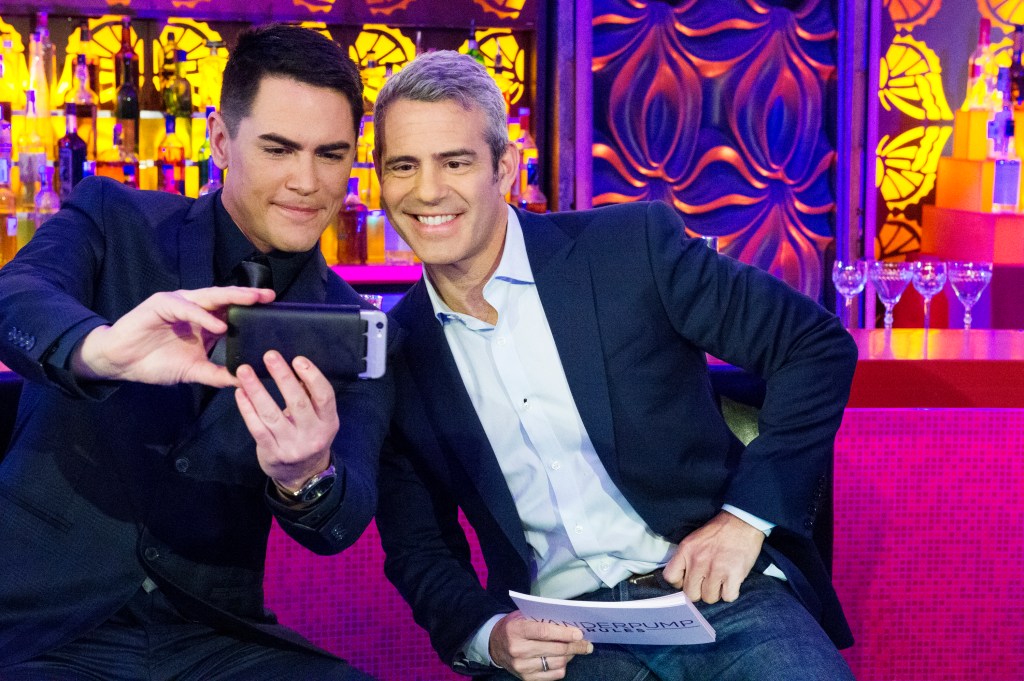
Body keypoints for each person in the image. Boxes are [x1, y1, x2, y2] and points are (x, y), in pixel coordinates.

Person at [372, 51, 858, 681]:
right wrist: (490, 635)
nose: (427, 190)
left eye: (455, 162)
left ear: (506, 168)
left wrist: (744, 521)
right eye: (403, 166)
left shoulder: (629, 249)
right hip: (567, 636)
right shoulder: (396, 350)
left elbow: (814, 345)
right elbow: (420, 548)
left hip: (722, 598)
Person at [0, 25, 390, 680]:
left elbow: (341, 518)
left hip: (212, 635)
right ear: (219, 139)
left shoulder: (354, 323)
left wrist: (305, 477)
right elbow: (17, 294)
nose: (306, 180)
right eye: (278, 148)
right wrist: (99, 350)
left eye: (331, 153)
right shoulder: (113, 215)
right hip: (41, 624)